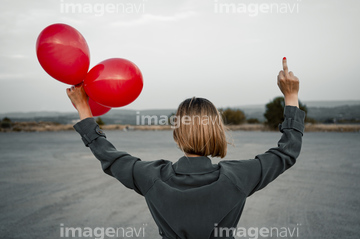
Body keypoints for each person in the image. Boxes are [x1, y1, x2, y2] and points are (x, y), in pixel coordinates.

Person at [67, 58, 305, 239]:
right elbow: (287, 152)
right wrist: (291, 96)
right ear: (217, 131)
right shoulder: (238, 177)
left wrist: (84, 112)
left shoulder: (151, 176)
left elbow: (111, 157)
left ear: (177, 133)